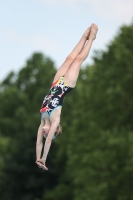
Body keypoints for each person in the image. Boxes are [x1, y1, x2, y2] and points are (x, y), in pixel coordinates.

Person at [35, 23, 98, 170]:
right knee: (78, 60)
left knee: (69, 57)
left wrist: (38, 158)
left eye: (45, 135)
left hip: (55, 83)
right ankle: (92, 38)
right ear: (54, 130)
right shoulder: (54, 119)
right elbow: (48, 141)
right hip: (66, 85)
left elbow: (39, 142)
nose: (45, 135)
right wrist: (44, 160)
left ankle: (84, 35)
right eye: (49, 134)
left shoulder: (42, 120)